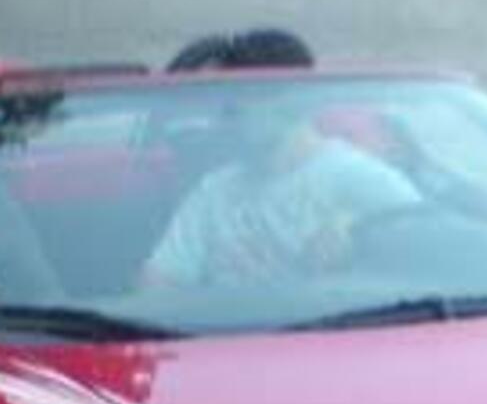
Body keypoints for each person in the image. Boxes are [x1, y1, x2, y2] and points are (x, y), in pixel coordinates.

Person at [141, 97, 418, 289]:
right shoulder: (215, 188)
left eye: (243, 105)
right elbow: (158, 281)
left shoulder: (360, 177)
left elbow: (429, 248)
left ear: (293, 105)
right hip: (222, 343)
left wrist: (359, 233)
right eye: (229, 107)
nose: (226, 117)